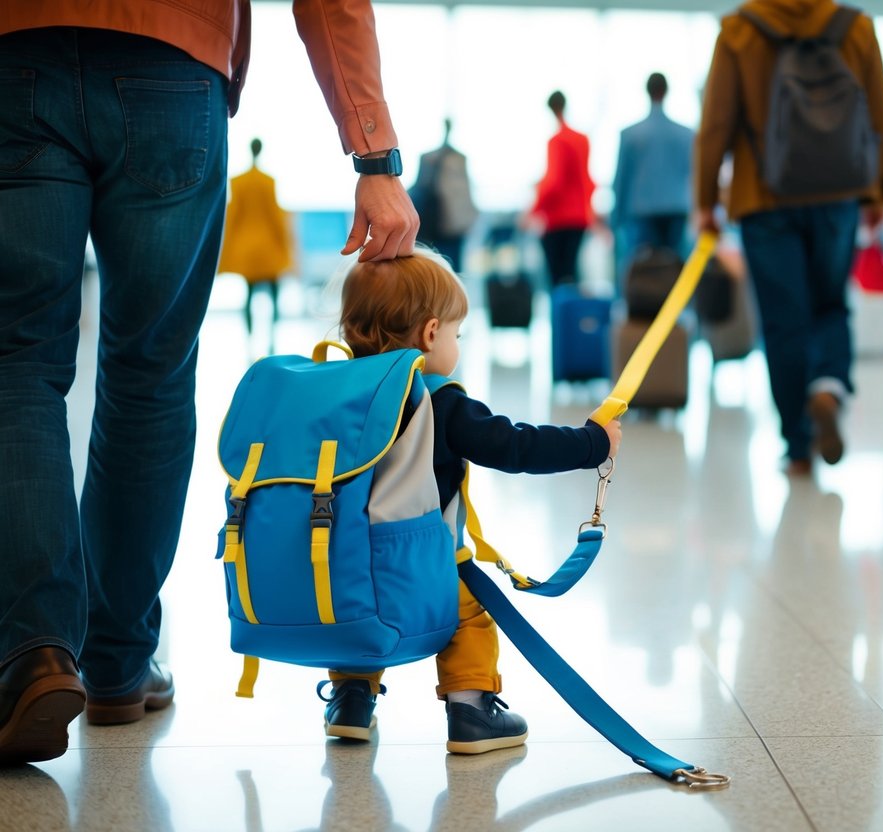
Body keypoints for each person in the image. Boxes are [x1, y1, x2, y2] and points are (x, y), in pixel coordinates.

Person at [0, 1, 417, 766]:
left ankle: (33, 650)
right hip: (170, 65)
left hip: (17, 55)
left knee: (16, 366)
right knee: (148, 377)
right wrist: (375, 157)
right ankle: (118, 661)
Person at [331, 250, 622, 749]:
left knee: (358, 612)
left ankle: (352, 701)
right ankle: (471, 713)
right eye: (456, 334)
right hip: (425, 570)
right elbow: (515, 445)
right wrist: (592, 442)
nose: (456, 345)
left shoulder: (339, 395)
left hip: (348, 567)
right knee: (469, 613)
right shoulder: (439, 401)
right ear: (429, 334)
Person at [695, 0, 883, 475]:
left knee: (784, 323)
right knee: (830, 304)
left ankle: (799, 447)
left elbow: (716, 124)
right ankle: (827, 386)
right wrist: (878, 191)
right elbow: (880, 118)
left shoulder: (740, 30)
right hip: (840, 192)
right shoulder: (857, 28)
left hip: (764, 198)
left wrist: (706, 201)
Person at [218, 137, 294, 352]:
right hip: (267, 247)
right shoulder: (267, 181)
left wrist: (226, 250)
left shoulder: (238, 181)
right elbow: (275, 216)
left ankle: (250, 339)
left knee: (249, 295)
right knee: (274, 295)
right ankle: (271, 337)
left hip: (247, 248)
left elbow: (233, 216)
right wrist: (286, 246)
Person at [612, 72, 695, 261]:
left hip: (641, 212)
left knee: (643, 273)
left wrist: (615, 220)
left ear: (647, 92)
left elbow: (621, 179)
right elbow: (692, 175)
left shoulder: (630, 135)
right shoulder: (685, 134)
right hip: (677, 210)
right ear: (666, 92)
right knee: (675, 269)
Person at [530, 91, 595, 288]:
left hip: (558, 219)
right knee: (571, 272)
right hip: (580, 216)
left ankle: (559, 318)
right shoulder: (582, 139)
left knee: (557, 277)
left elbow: (554, 183)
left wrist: (533, 210)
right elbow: (587, 180)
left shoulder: (557, 141)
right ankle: (572, 317)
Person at [411, 119, 479, 273]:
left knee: (441, 270)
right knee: (447, 271)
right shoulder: (437, 159)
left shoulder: (444, 159)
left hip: (444, 226)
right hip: (441, 226)